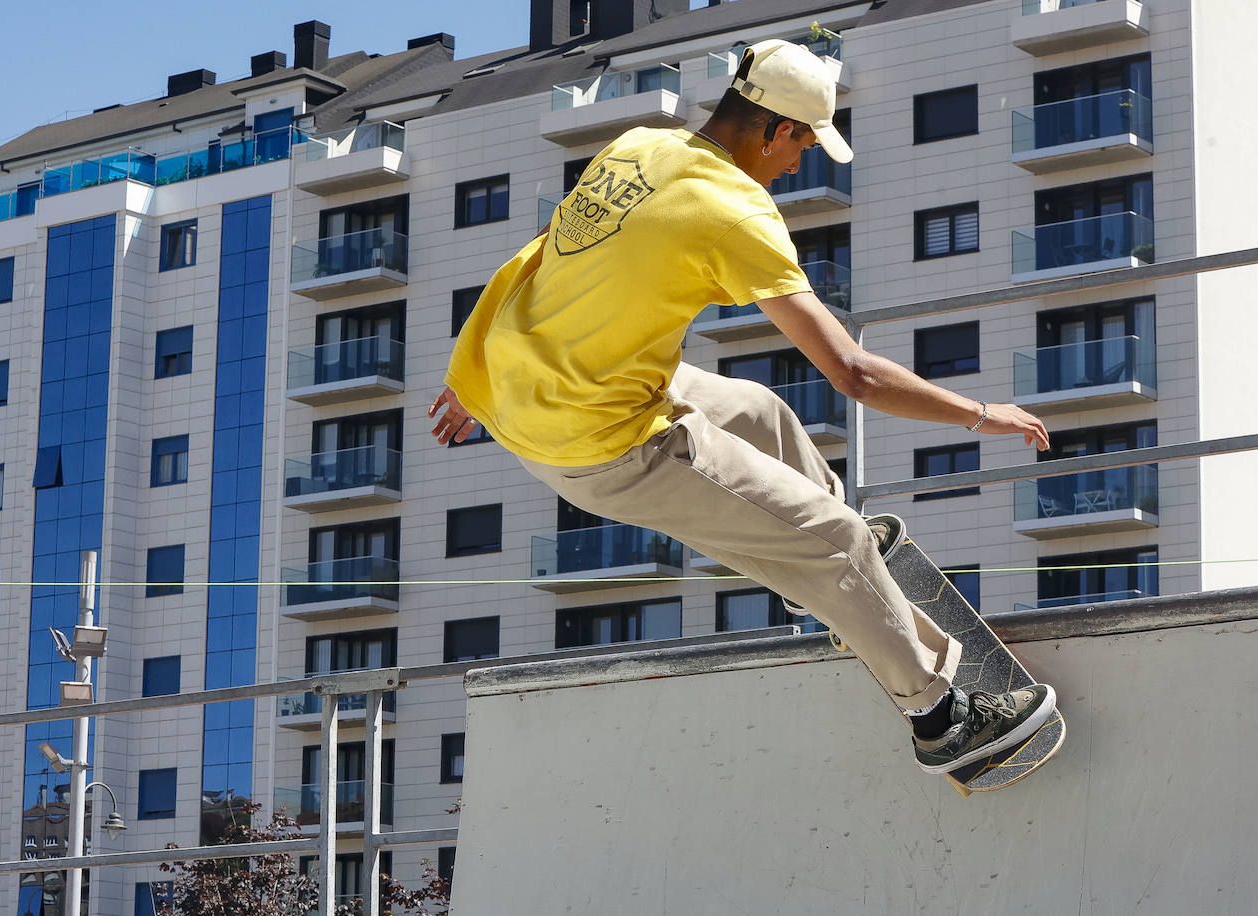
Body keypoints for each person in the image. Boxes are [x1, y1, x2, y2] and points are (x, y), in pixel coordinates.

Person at [431, 39, 1055, 774]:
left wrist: (471, 374)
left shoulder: (640, 148)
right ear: (774, 131)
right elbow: (853, 372)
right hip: (601, 444)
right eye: (804, 147)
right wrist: (983, 414)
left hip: (533, 387)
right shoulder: (736, 213)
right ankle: (942, 718)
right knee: (837, 544)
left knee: (759, 411)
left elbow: (543, 251)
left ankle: (824, 591)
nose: (799, 166)